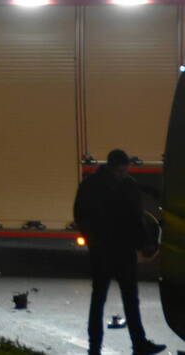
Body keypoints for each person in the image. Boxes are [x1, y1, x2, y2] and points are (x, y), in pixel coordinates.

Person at [73, 149, 164, 355]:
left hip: (107, 250)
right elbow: (135, 218)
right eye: (120, 171)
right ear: (114, 167)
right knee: (120, 299)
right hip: (116, 250)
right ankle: (133, 343)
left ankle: (98, 346)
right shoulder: (121, 185)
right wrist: (142, 244)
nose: (122, 174)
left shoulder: (92, 185)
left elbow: (81, 214)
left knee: (107, 299)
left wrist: (91, 240)